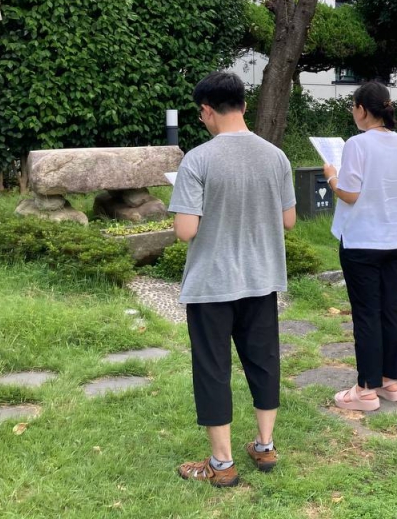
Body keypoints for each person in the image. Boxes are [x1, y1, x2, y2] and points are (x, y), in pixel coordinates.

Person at [169, 71, 297, 487]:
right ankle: (265, 445)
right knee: (264, 361)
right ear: (243, 104)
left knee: (213, 368)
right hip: (262, 279)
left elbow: (185, 230)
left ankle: (221, 464)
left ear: (207, 110)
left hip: (212, 283)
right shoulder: (276, 157)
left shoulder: (198, 160)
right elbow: (289, 220)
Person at [323, 82, 397, 411]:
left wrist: (331, 176)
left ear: (362, 109)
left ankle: (365, 390)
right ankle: (390, 382)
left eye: (354, 106)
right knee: (391, 309)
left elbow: (350, 193)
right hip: (396, 238)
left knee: (366, 314)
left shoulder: (357, 144)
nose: (353, 111)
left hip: (362, 240)